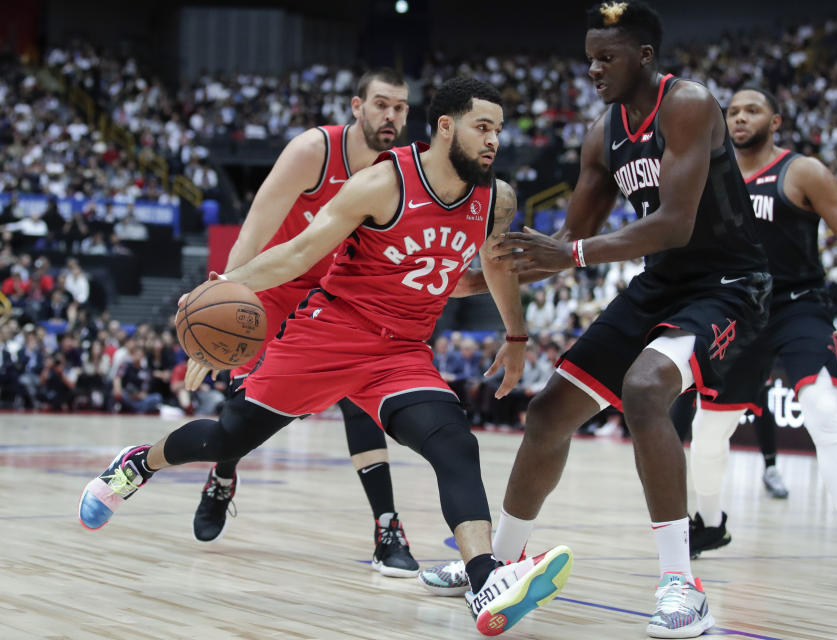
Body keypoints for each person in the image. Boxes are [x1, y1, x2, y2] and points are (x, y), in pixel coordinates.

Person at [78, 77, 572, 636]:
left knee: (454, 442)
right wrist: (220, 285)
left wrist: (516, 336)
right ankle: (138, 464)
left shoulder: (496, 199)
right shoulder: (381, 183)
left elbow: (485, 270)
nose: (493, 142)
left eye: (498, 131)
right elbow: (296, 253)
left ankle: (485, 580)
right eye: (483, 128)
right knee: (226, 438)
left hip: (401, 352)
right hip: (330, 334)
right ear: (445, 127)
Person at [425, 4, 770, 637]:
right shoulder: (600, 132)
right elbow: (570, 237)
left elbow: (675, 224)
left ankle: (680, 585)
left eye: (606, 57)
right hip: (660, 285)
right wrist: (477, 278)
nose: (592, 68)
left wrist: (574, 253)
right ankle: (499, 562)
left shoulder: (689, 104)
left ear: (644, 56)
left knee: (644, 390)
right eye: (589, 56)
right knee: (548, 413)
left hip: (728, 286)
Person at [182, 69, 420, 577]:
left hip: (338, 295)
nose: (391, 116)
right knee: (246, 409)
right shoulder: (313, 151)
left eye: (400, 108)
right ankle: (223, 476)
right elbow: (255, 228)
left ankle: (387, 527)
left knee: (362, 404)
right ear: (357, 106)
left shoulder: (401, 169)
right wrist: (218, 294)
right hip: (273, 286)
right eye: (382, 104)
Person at [682, 88, 837, 588]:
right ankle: (709, 526)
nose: (739, 118)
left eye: (751, 110)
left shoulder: (803, 171)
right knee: (708, 432)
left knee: (822, 411)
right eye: (731, 112)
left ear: (775, 120)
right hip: (739, 311)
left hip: (799, 308)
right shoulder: (712, 176)